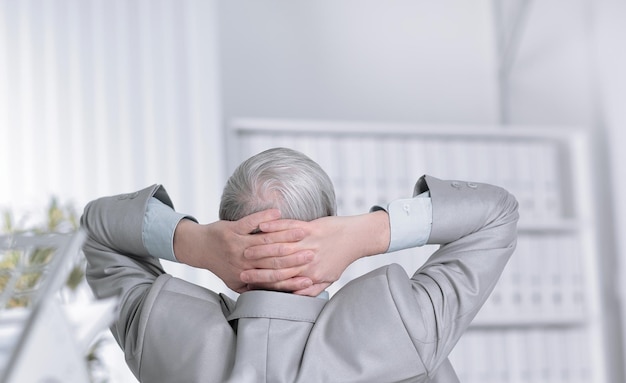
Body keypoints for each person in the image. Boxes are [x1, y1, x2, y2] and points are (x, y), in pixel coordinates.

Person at [81, 147, 519, 382]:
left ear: (227, 232)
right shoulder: (402, 326)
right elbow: (496, 212)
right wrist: (368, 233)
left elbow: (96, 228)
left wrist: (194, 244)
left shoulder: (160, 329)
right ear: (327, 227)